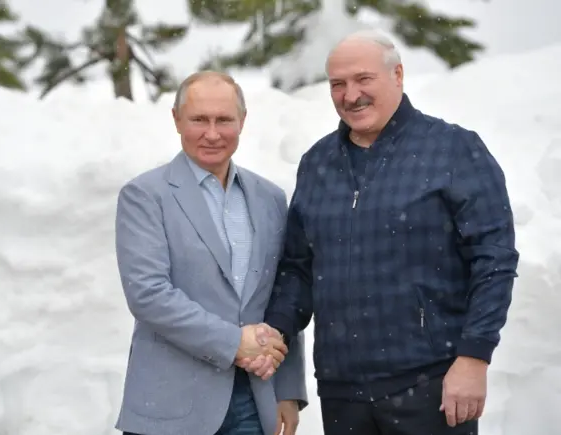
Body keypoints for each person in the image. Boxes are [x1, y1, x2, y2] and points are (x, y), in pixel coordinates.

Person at [261, 30, 520, 435]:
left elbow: (494, 260)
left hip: (432, 384)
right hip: (342, 391)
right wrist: (273, 329)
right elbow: (299, 268)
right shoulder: (317, 163)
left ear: (398, 75)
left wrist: (474, 357)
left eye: (364, 79)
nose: (351, 95)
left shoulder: (453, 149)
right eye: (338, 84)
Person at [113, 70, 308, 435]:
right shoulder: (144, 196)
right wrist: (234, 343)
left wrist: (289, 391)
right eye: (199, 120)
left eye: (224, 120)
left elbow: (283, 293)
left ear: (242, 121)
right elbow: (148, 294)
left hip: (254, 402)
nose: (212, 133)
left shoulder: (270, 198)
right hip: (171, 406)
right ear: (176, 120)